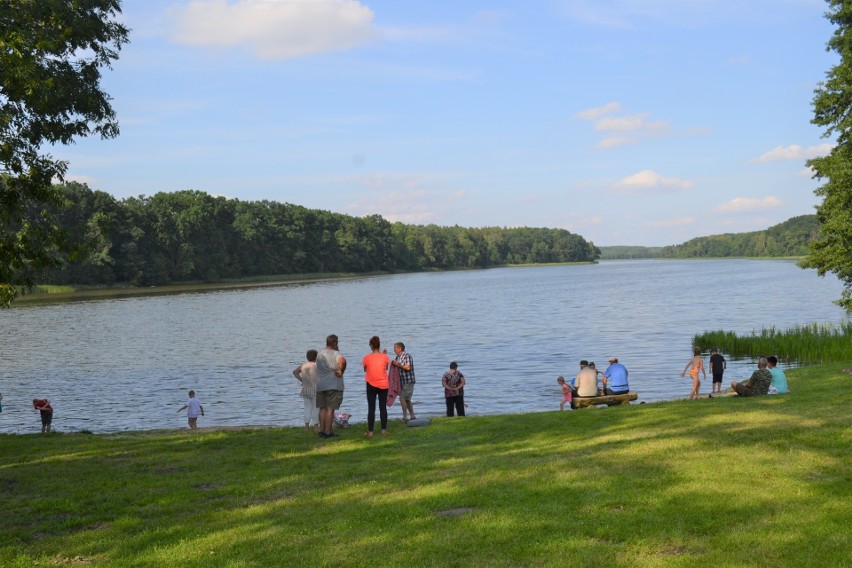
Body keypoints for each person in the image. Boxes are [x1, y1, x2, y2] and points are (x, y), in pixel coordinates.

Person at [316, 334, 347, 438]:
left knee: (322, 408)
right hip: (332, 385)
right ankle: (328, 432)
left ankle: (322, 431)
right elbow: (342, 361)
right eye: (337, 342)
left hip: (320, 385)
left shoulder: (320, 353)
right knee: (330, 409)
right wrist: (341, 370)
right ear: (334, 343)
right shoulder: (336, 353)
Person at [362, 336, 391, 437]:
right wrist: (384, 355)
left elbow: (365, 369)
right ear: (379, 345)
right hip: (383, 384)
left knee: (371, 408)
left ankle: (370, 432)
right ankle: (383, 430)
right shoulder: (384, 356)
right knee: (382, 407)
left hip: (371, 384)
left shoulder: (366, 357)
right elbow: (386, 367)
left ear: (371, 345)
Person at [293, 349, 320, 433]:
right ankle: (316, 427)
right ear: (316, 357)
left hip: (305, 390)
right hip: (315, 390)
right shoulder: (316, 366)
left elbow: (295, 372)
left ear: (307, 357)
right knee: (316, 408)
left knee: (307, 408)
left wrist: (302, 380)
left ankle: (307, 427)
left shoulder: (303, 365)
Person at [391, 342, 416, 422]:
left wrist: (398, 365)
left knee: (402, 398)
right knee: (407, 399)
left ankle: (405, 417)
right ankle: (412, 416)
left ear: (399, 348)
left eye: (395, 348)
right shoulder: (397, 357)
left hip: (408, 381)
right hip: (402, 382)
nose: (394, 350)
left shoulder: (407, 356)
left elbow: (408, 367)